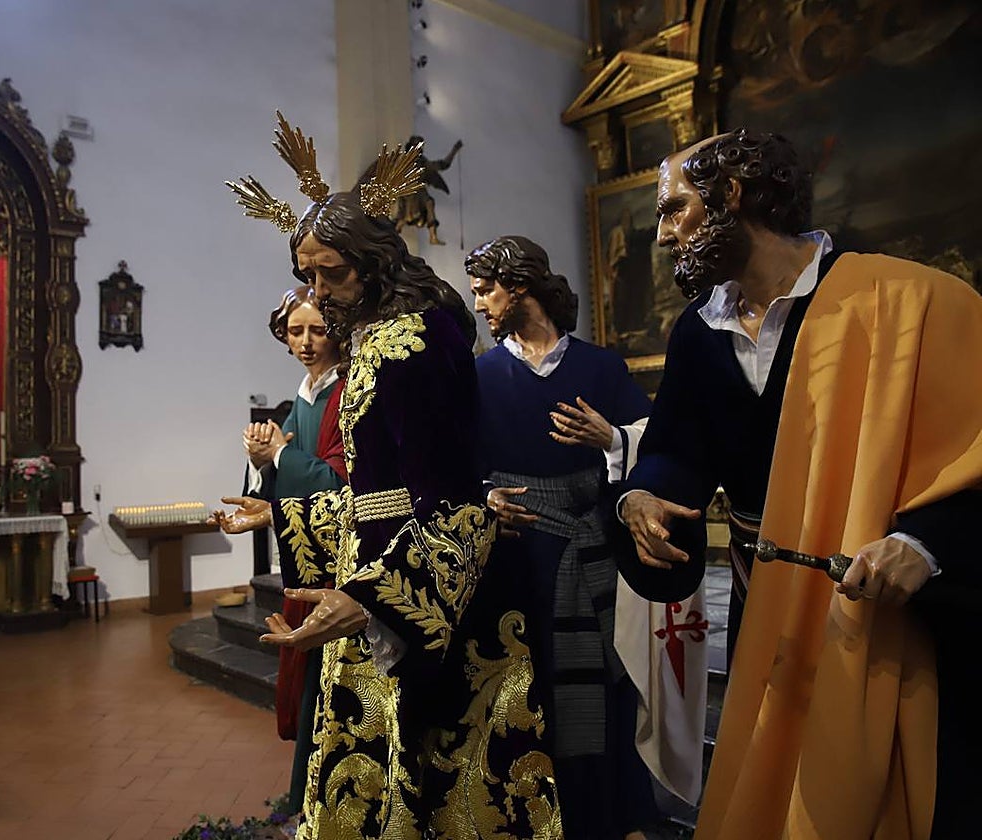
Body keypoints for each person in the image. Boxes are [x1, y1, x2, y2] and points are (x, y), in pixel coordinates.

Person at [616, 128, 982, 839]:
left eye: (672, 209)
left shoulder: (912, 299)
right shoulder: (699, 331)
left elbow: (973, 457)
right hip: (774, 607)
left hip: (905, 620)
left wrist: (926, 542)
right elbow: (676, 451)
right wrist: (643, 497)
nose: (662, 237)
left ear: (731, 194)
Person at [218, 127, 562, 838]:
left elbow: (454, 501)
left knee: (430, 780)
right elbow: (375, 490)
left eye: (332, 275)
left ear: (374, 263)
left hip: (425, 601)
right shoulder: (375, 339)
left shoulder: (421, 337)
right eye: (307, 276)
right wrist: (286, 514)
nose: (318, 294)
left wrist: (372, 595)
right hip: (372, 576)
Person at [468, 236, 658, 840]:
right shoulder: (480, 374)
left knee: (607, 687)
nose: (479, 304)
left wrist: (610, 438)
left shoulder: (599, 367)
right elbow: (457, 466)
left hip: (592, 554)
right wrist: (487, 497)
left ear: (518, 285)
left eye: (485, 289)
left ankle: (614, 816)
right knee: (531, 691)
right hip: (517, 561)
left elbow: (654, 442)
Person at [242, 283, 346, 817]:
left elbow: (336, 479)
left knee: (329, 688)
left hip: (340, 565)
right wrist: (264, 457)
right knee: (308, 683)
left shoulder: (345, 390)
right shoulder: (306, 392)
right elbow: (281, 472)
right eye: (295, 330)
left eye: (317, 329)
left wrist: (280, 452)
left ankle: (327, 802)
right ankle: (309, 800)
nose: (305, 341)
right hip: (309, 556)